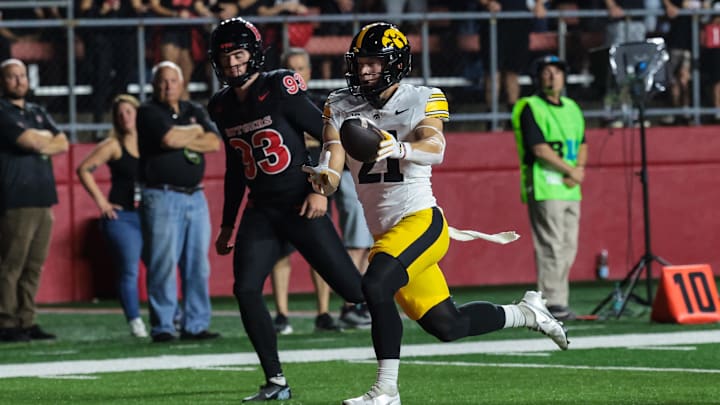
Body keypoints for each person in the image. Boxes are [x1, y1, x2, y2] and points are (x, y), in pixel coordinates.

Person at [306, 22, 569, 404]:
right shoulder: (340, 104)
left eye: (373, 64)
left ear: (394, 65)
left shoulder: (423, 97)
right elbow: (332, 161)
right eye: (360, 63)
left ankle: (386, 391)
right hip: (388, 233)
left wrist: (399, 148)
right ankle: (527, 313)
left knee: (375, 284)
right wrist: (322, 177)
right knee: (448, 324)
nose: (364, 71)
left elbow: (436, 146)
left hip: (421, 221)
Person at [207, 17, 366, 401]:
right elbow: (233, 169)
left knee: (355, 290)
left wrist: (321, 189)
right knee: (245, 289)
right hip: (261, 209)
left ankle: (406, 281)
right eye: (224, 57)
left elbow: (328, 134)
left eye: (239, 54)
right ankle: (276, 380)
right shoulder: (221, 105)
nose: (231, 64)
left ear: (255, 53)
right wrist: (228, 224)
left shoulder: (278, 86)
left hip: (300, 202)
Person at [270, 47, 371, 335]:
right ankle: (281, 313)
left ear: (310, 72)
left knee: (337, 241)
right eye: (291, 68)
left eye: (301, 68)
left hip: (334, 174)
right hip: (294, 179)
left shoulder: (322, 102)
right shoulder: (276, 104)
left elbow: (335, 134)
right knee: (283, 249)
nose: (297, 74)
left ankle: (327, 310)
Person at [136, 60, 221, 343]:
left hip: (194, 195)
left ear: (181, 83)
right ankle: (163, 325)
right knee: (163, 262)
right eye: (162, 81)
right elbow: (169, 139)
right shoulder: (147, 110)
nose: (167, 86)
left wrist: (190, 135)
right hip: (161, 195)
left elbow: (213, 142)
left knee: (198, 264)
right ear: (153, 84)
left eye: (172, 80)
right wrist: (194, 132)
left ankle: (195, 324)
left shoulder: (193, 108)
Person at [511, 55, 587, 322]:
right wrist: (572, 171)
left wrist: (578, 171)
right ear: (538, 78)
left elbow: (583, 143)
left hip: (569, 187)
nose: (552, 76)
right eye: (546, 72)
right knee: (551, 246)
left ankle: (558, 300)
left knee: (569, 246)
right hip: (544, 184)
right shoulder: (529, 106)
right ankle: (552, 301)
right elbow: (539, 148)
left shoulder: (572, 108)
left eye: (557, 72)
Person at [0, 58, 68, 342]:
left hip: (43, 198)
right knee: (10, 264)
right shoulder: (2, 111)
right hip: (16, 198)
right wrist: (43, 140)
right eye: (12, 77)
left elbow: (62, 142)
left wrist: (41, 140)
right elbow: (31, 142)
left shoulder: (37, 111)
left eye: (22, 76)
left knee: (33, 265)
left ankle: (26, 319)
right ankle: (6, 321)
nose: (19, 81)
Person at [76, 94, 148, 338]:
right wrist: (102, 203)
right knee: (129, 269)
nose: (124, 117)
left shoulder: (151, 140)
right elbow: (84, 169)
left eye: (129, 111)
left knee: (161, 267)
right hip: (123, 218)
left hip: (150, 215)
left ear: (138, 113)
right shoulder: (113, 144)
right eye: (119, 114)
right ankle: (135, 321)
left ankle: (170, 316)